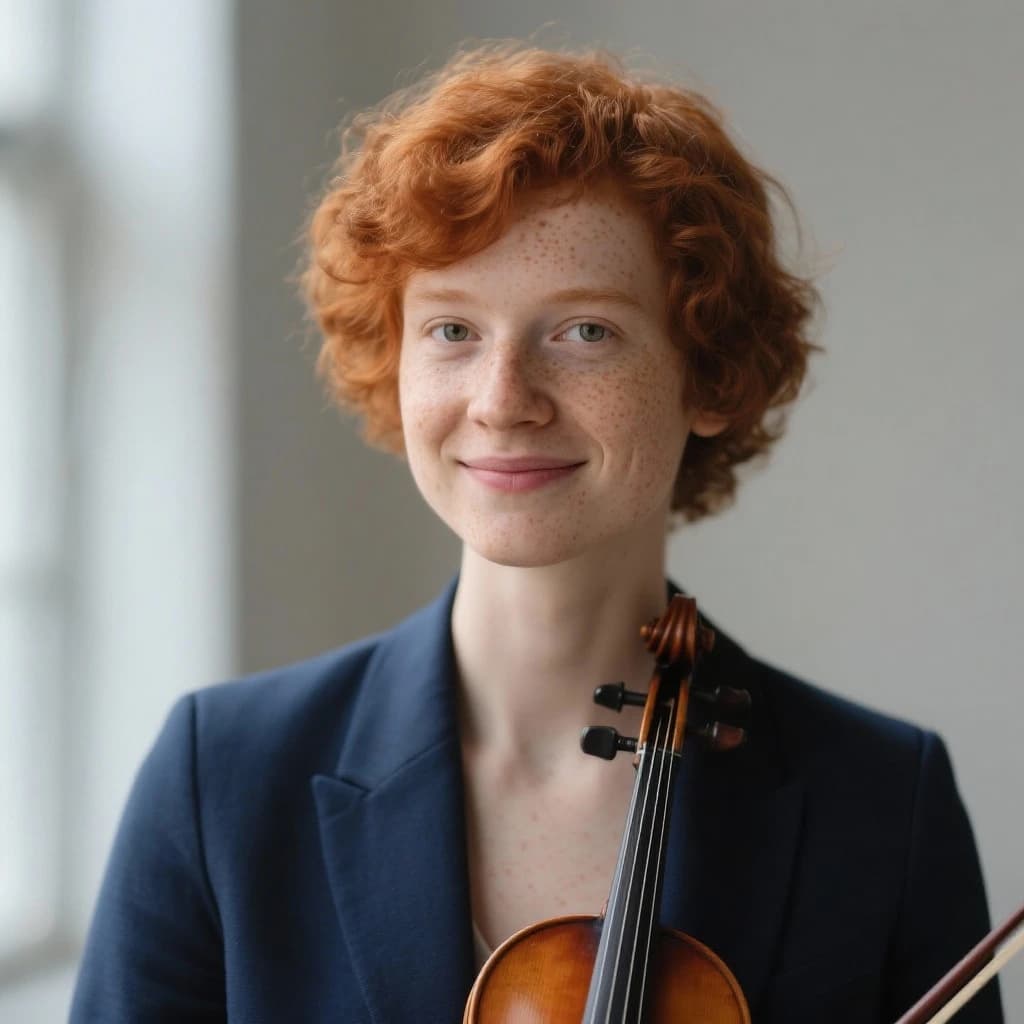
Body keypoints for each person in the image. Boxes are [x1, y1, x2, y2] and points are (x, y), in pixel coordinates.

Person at [69, 42, 1002, 1022]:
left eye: (584, 331)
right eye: (452, 331)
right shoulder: (220, 778)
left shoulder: (881, 804)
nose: (502, 400)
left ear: (711, 377)